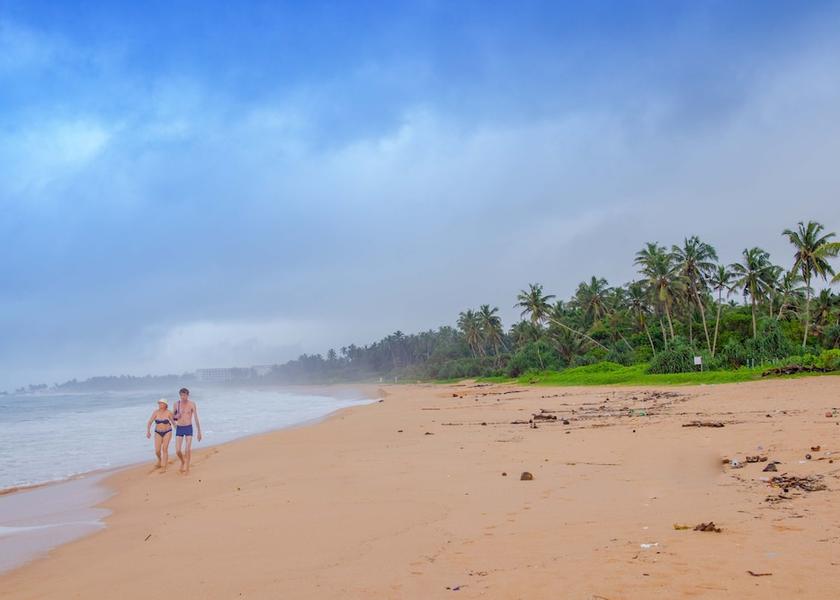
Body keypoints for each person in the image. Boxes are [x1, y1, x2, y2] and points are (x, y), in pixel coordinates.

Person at [173, 387, 202, 474]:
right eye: (181, 395)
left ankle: (187, 468)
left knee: (187, 449)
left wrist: (199, 432)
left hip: (188, 427)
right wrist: (175, 417)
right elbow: (173, 417)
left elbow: (196, 418)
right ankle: (182, 461)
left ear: (188, 395)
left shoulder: (192, 404)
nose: (183, 397)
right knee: (178, 450)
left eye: (184, 395)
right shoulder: (176, 404)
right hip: (179, 428)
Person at [146, 399, 175, 472]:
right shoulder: (155, 412)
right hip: (158, 432)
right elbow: (149, 422)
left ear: (165, 404)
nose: (160, 404)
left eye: (161, 403)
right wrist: (148, 432)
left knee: (165, 449)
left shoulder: (169, 412)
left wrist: (179, 430)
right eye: (159, 403)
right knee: (157, 451)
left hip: (167, 432)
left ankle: (164, 466)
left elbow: (173, 423)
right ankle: (159, 460)